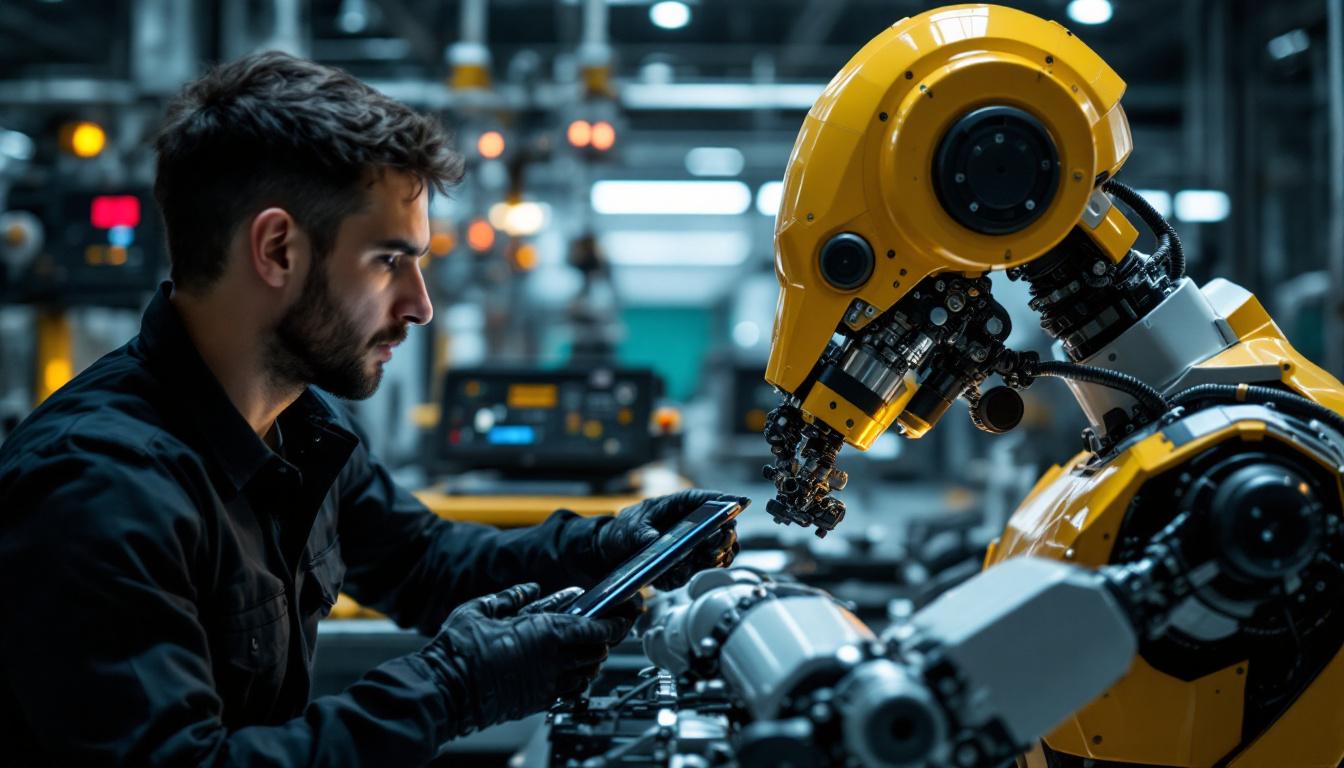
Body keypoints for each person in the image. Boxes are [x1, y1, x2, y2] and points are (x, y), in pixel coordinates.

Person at [0, 51, 738, 766]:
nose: (420, 306)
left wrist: (609, 547)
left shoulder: (302, 425)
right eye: (390, 260)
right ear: (278, 250)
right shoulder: (99, 489)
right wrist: (448, 690)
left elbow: (427, 563)